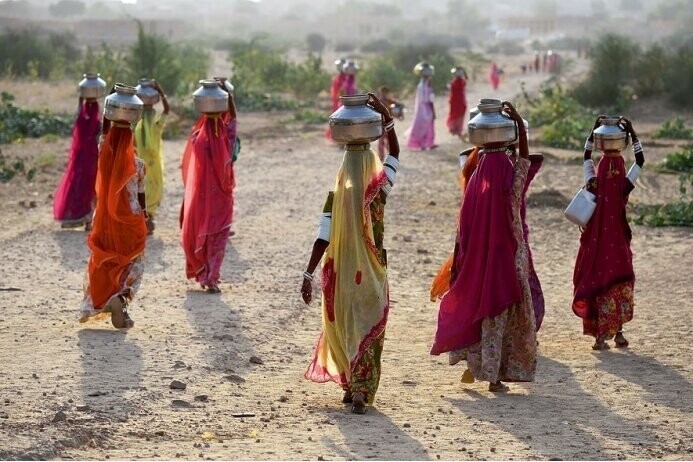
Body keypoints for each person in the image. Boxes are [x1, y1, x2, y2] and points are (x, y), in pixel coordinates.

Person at [302, 93, 400, 414]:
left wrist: (308, 273)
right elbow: (395, 153)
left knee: (345, 326)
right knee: (369, 327)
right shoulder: (379, 189)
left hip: (341, 275)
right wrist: (385, 118)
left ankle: (349, 385)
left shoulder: (336, 195)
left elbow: (322, 238)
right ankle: (361, 389)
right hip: (371, 272)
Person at [431, 101, 536, 392]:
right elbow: (524, 164)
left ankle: (482, 367)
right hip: (509, 253)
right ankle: (494, 375)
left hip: (478, 256)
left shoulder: (476, 176)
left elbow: (463, 226)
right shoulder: (507, 173)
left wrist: (462, 258)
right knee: (502, 311)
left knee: (482, 305)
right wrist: (518, 128)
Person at [572, 116, 643, 350]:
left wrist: (593, 131)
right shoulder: (624, 184)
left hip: (597, 241)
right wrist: (631, 133)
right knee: (618, 278)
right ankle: (619, 333)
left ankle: (600, 337)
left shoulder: (593, 182)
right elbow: (640, 161)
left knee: (599, 278)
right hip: (619, 241)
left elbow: (585, 157)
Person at [79, 85, 147, 329]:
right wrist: (146, 217)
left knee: (105, 261)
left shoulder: (103, 154)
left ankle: (105, 301)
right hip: (131, 221)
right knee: (132, 264)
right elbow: (141, 198)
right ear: (132, 137)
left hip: (105, 219)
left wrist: (111, 99)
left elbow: (104, 133)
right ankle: (121, 298)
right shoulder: (138, 165)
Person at [181, 82, 237, 294]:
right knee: (218, 236)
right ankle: (211, 277)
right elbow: (233, 123)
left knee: (206, 234)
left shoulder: (197, 138)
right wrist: (228, 97)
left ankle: (206, 275)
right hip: (220, 197)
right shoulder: (224, 137)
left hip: (203, 196)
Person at [53, 94, 102, 231]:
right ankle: (89, 220)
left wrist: (81, 101)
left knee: (80, 187)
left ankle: (79, 216)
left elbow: (78, 117)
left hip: (80, 161)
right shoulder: (97, 123)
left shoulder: (81, 122)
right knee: (92, 190)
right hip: (93, 160)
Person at [134, 80, 169, 235]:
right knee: (151, 190)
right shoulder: (155, 125)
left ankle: (145, 219)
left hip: (143, 165)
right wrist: (160, 91)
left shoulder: (138, 125)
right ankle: (147, 219)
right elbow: (167, 109)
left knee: (143, 191)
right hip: (152, 166)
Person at [405, 70, 436, 150]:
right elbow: (424, 99)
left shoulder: (426, 87)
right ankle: (423, 144)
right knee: (422, 127)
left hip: (426, 108)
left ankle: (429, 143)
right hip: (422, 109)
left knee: (428, 127)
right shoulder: (421, 86)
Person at [376, 86, 402, 159]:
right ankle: (381, 156)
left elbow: (398, 107)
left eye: (385, 93)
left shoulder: (390, 101)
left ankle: (389, 156)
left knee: (389, 141)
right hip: (380, 124)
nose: (383, 94)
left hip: (389, 124)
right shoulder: (378, 102)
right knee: (381, 141)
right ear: (380, 93)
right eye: (382, 93)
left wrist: (399, 114)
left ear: (387, 93)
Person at [446, 67, 468, 138]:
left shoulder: (454, 82)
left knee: (454, 115)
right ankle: (458, 130)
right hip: (460, 102)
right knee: (459, 116)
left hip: (455, 102)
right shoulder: (462, 82)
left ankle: (454, 129)